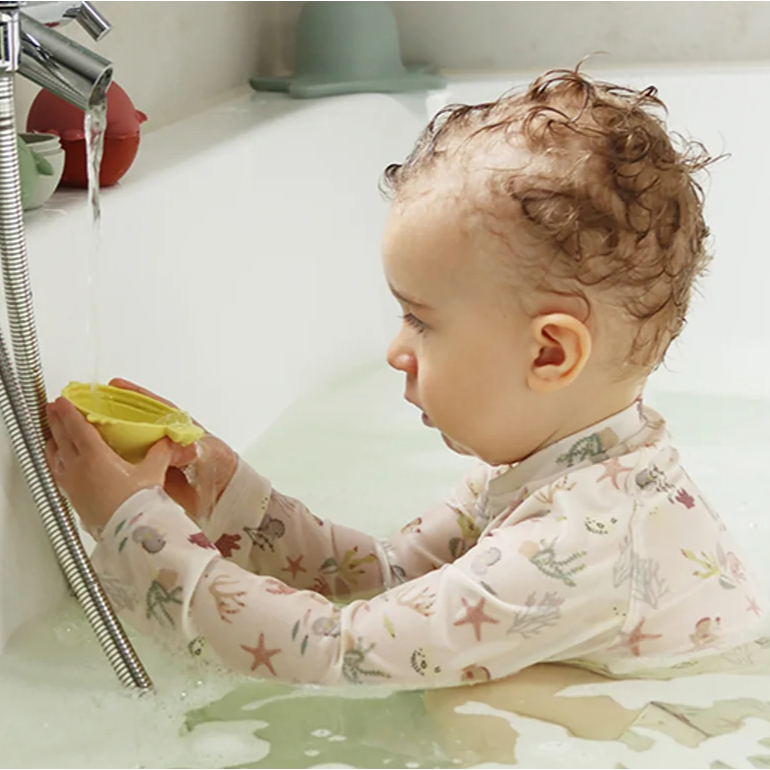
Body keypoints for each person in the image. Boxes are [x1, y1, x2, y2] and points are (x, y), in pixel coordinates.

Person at [45, 65, 766, 691]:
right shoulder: (566, 463)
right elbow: (390, 577)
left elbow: (336, 653)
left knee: (474, 701)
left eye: (421, 321)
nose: (396, 350)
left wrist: (134, 526)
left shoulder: (581, 542)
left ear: (550, 355)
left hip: (683, 736)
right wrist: (228, 492)